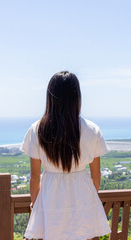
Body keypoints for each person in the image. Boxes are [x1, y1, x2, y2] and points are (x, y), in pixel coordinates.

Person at [20, 71, 111, 240]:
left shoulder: (37, 130)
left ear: (50, 97)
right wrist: (87, 200)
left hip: (50, 198)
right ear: (77, 97)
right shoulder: (92, 130)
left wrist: (35, 204)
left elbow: (34, 178)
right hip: (83, 197)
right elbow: (96, 177)